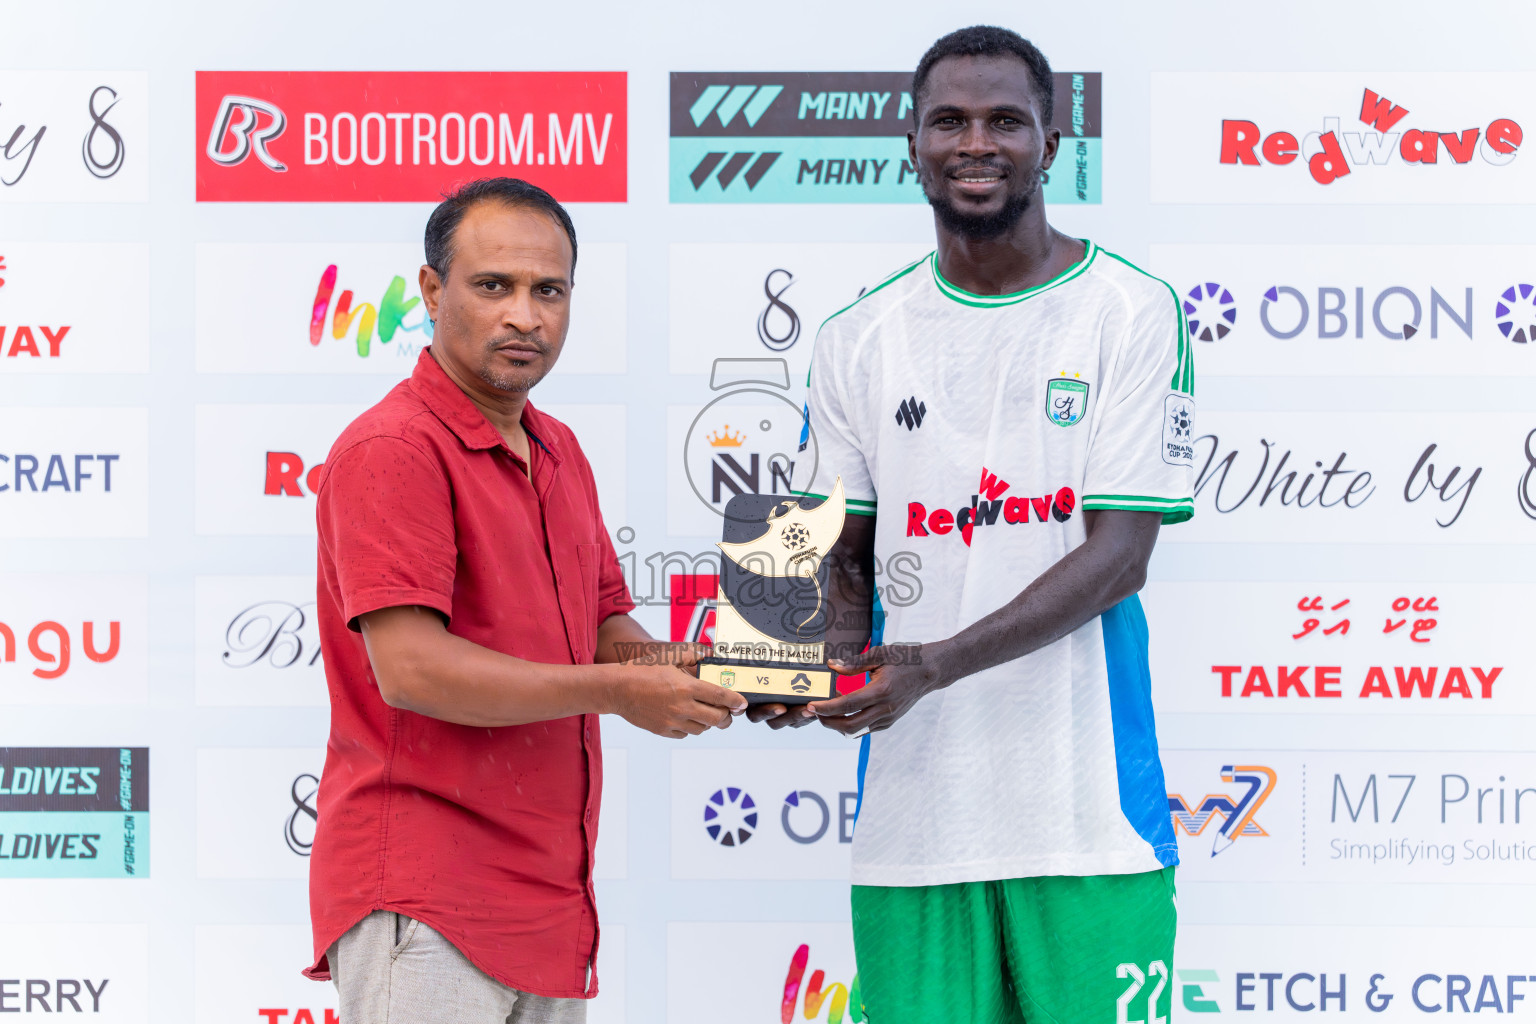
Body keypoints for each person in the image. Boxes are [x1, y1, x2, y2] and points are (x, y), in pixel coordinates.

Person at [757, 26, 1196, 1024]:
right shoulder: (856, 338)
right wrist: (803, 662)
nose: (975, 143)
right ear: (911, 145)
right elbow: (842, 560)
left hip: (1089, 824)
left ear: (1052, 143)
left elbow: (1119, 559)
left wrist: (936, 664)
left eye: (1005, 121)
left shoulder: (1129, 311)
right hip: (915, 828)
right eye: (948, 121)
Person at [304, 177, 747, 1023]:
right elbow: (412, 671)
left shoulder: (559, 447)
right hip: (426, 892)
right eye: (493, 286)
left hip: (546, 900)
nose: (525, 316)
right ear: (431, 290)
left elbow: (606, 630)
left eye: (549, 290)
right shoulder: (394, 446)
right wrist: (622, 690)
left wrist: (722, 673)